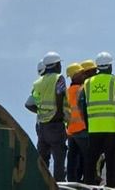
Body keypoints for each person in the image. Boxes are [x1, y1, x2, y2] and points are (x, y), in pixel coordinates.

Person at [80, 51, 115, 188]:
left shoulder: (88, 83)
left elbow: (84, 107)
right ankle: (110, 187)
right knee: (111, 160)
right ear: (109, 66)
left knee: (91, 160)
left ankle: (88, 186)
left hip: (94, 128)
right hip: (110, 128)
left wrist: (88, 125)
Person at [26, 51, 68, 181]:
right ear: (56, 65)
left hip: (42, 126)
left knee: (43, 159)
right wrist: (59, 115)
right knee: (59, 158)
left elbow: (29, 104)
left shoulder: (37, 83)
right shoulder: (58, 78)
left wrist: (41, 112)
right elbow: (60, 94)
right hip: (56, 124)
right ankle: (58, 184)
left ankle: (41, 183)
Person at [64, 62, 88, 183]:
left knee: (72, 159)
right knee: (87, 157)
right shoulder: (82, 90)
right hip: (82, 129)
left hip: (71, 131)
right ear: (75, 75)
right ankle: (88, 181)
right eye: (81, 73)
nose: (84, 75)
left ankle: (72, 182)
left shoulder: (66, 91)